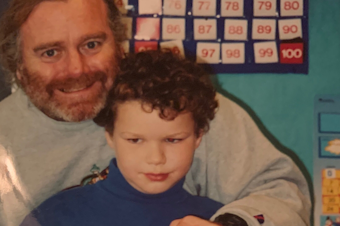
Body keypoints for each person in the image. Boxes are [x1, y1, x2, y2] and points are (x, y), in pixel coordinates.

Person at [0, 0, 311, 226]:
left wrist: (233, 224)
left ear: (117, 40)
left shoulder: (179, 103)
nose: (77, 69)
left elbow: (284, 195)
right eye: (50, 52)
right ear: (17, 61)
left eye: (92, 44)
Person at [20, 50, 224, 226]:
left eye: (173, 140)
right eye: (135, 140)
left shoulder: (216, 218)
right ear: (109, 135)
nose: (155, 159)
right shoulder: (55, 217)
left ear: (198, 137)